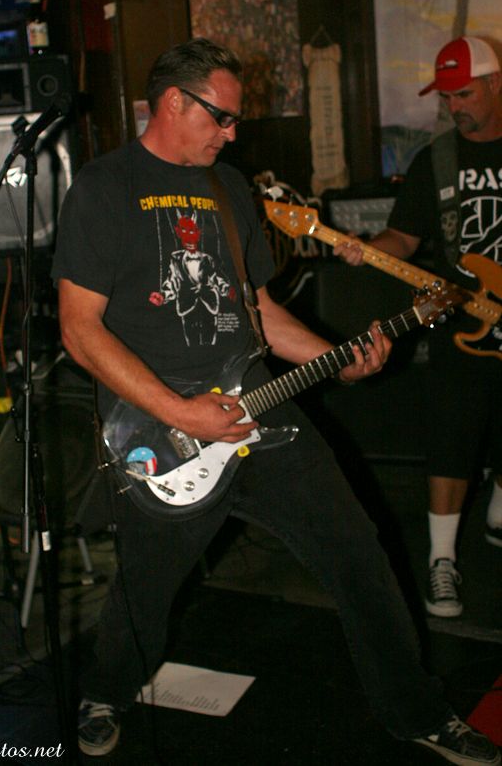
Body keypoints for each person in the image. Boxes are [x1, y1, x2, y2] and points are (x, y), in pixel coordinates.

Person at [52, 38, 500, 764]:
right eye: (222, 118)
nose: (232, 134)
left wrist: (336, 358)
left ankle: (418, 711)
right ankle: (106, 690)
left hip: (261, 406)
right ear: (175, 102)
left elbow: (257, 311)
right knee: (146, 585)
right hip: (162, 428)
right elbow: (79, 330)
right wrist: (179, 412)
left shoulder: (228, 187)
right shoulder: (104, 188)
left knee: (357, 553)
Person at [335, 35, 502, 621]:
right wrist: (365, 249)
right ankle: (441, 561)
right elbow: (403, 238)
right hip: (458, 322)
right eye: (447, 97)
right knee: (451, 437)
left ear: (495, 83)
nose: (454, 107)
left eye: (465, 94)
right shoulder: (438, 160)